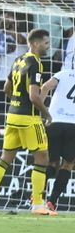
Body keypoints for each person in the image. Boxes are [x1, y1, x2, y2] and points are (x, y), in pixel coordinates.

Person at [0, 29, 54, 216]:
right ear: (36, 43)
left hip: (12, 116)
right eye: (46, 43)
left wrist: (16, 101)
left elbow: (7, 88)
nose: (48, 46)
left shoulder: (18, 59)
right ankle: (38, 204)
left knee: (5, 158)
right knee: (42, 157)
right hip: (28, 118)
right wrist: (47, 114)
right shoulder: (35, 62)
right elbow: (34, 96)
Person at [40, 66, 75, 213]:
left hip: (54, 121)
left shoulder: (63, 73)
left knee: (51, 162)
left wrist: (40, 110)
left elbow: (46, 86)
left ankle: (38, 196)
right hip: (73, 125)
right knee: (68, 164)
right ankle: (52, 201)